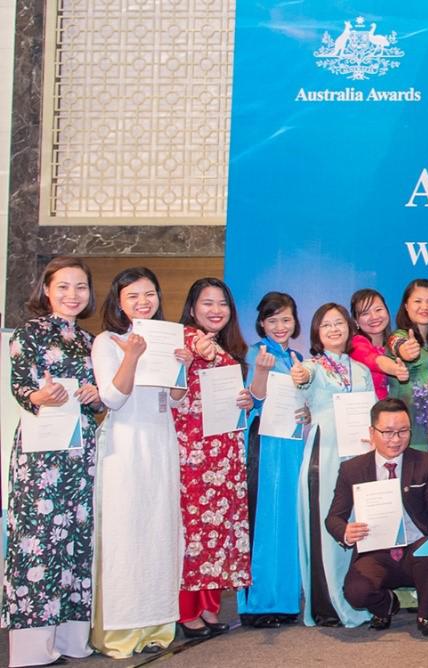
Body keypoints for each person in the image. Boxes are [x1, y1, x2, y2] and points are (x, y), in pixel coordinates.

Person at [7, 257, 101, 667]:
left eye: (80, 287)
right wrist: (35, 396)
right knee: (39, 543)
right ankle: (32, 649)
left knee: (76, 542)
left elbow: (100, 395)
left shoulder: (89, 340)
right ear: (46, 290)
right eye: (63, 287)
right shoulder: (29, 333)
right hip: (41, 455)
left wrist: (95, 396)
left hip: (81, 450)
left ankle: (70, 639)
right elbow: (19, 385)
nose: (72, 295)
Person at [87, 268, 182, 656]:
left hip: (161, 441)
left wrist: (183, 366)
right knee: (126, 534)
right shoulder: (106, 341)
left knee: (159, 531)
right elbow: (111, 399)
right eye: (133, 296)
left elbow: (174, 398)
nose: (144, 302)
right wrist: (131, 355)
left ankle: (156, 624)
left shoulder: (166, 337)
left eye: (150, 294)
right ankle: (121, 632)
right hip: (125, 446)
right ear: (119, 303)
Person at [324, 398, 428, 637]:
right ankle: (386, 605)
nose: (395, 439)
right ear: (372, 433)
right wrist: (345, 531)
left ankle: (426, 615)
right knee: (356, 592)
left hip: (416, 547)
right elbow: (333, 518)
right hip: (376, 551)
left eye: (403, 431)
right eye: (388, 432)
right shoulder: (353, 469)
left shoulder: (427, 462)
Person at [172, 278, 254, 636]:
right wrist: (187, 359)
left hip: (224, 451)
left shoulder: (230, 348)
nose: (216, 310)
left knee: (217, 533)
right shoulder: (185, 341)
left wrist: (246, 401)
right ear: (192, 308)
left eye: (222, 303)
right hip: (194, 451)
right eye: (207, 303)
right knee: (193, 532)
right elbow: (174, 395)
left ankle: (208, 606)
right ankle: (185, 609)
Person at [294, 303, 377, 628]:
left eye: (339, 323)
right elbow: (301, 380)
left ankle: (356, 595)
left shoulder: (361, 370)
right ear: (316, 331)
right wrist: (299, 376)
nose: (333, 329)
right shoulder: (312, 366)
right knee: (326, 522)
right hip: (324, 454)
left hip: (356, 454)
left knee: (356, 524)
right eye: (326, 324)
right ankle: (327, 605)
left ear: (349, 327)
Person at [236, 292, 309, 628]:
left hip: (292, 444)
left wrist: (306, 412)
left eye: (286, 319)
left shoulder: (297, 357)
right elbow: (252, 399)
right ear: (262, 323)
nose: (280, 326)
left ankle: (285, 600)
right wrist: (262, 373)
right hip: (265, 444)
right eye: (273, 320)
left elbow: (303, 400)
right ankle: (258, 603)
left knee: (289, 520)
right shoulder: (254, 353)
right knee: (264, 520)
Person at [386, 278, 428, 452]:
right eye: (418, 301)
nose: (424, 307)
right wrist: (405, 350)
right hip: (408, 437)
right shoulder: (399, 335)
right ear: (406, 306)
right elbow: (398, 344)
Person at [349, 288, 407, 401]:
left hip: (394, 411)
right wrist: (395, 369)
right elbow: (373, 359)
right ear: (356, 321)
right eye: (365, 313)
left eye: (378, 309)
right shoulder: (356, 344)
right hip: (368, 412)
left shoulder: (395, 341)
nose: (374, 317)